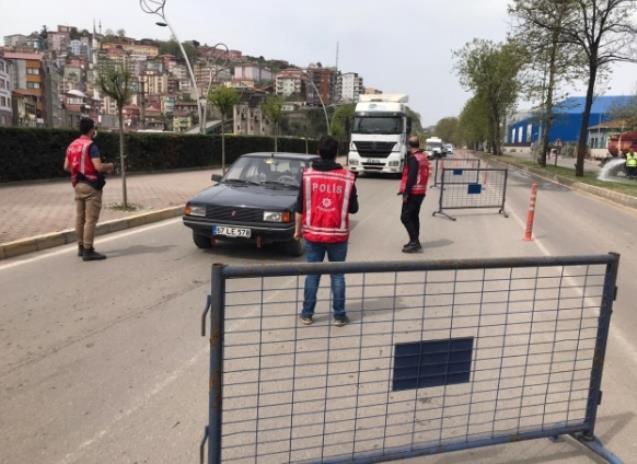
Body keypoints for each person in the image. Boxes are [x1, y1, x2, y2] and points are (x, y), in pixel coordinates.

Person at [294, 136, 358, 326]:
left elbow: (299, 208)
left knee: (312, 274)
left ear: (318, 152)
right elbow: (353, 208)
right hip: (338, 235)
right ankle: (339, 316)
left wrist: (298, 231)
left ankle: (307, 314)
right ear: (337, 153)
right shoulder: (347, 177)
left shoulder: (307, 176)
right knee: (337, 275)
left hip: (313, 234)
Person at [63, 118, 114, 261]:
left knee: (80, 218)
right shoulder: (91, 146)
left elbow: (66, 167)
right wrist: (109, 166)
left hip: (77, 185)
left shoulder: (72, 145)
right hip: (91, 186)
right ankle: (88, 249)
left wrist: (78, 170)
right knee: (91, 219)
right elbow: (98, 167)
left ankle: (80, 247)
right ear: (92, 130)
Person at [398, 136, 430, 253]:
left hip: (413, 192)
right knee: (414, 217)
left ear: (409, 145)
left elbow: (411, 177)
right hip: (421, 191)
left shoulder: (413, 158)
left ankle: (414, 242)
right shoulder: (423, 157)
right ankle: (414, 241)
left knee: (405, 217)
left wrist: (406, 192)